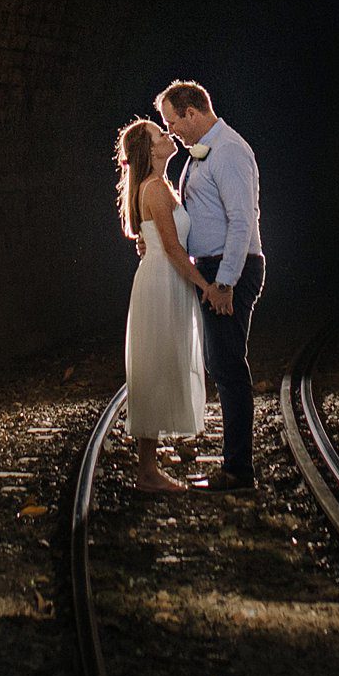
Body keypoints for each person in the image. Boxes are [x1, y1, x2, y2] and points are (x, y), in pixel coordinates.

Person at [155, 80, 263, 491]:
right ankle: (235, 465)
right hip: (215, 266)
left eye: (172, 121)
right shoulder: (204, 153)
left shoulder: (230, 151)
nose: (172, 131)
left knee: (228, 365)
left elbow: (242, 221)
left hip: (230, 268)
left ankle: (238, 471)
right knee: (222, 363)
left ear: (192, 113)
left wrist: (224, 282)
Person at [116, 115, 205, 492]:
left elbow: (160, 240)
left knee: (163, 363)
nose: (167, 134)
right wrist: (205, 285)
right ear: (150, 151)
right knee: (155, 369)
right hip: (161, 282)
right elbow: (170, 247)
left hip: (164, 279)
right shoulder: (153, 188)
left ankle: (149, 464)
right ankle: (147, 473)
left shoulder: (160, 185)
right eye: (159, 133)